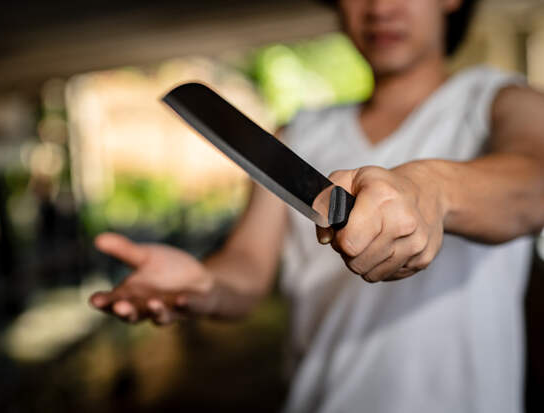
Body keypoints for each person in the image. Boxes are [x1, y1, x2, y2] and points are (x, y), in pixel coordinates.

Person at [89, 0, 544, 411]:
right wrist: (202, 283)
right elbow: (247, 266)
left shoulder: (500, 102)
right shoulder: (300, 134)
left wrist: (433, 190)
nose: (380, 8)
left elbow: (533, 182)